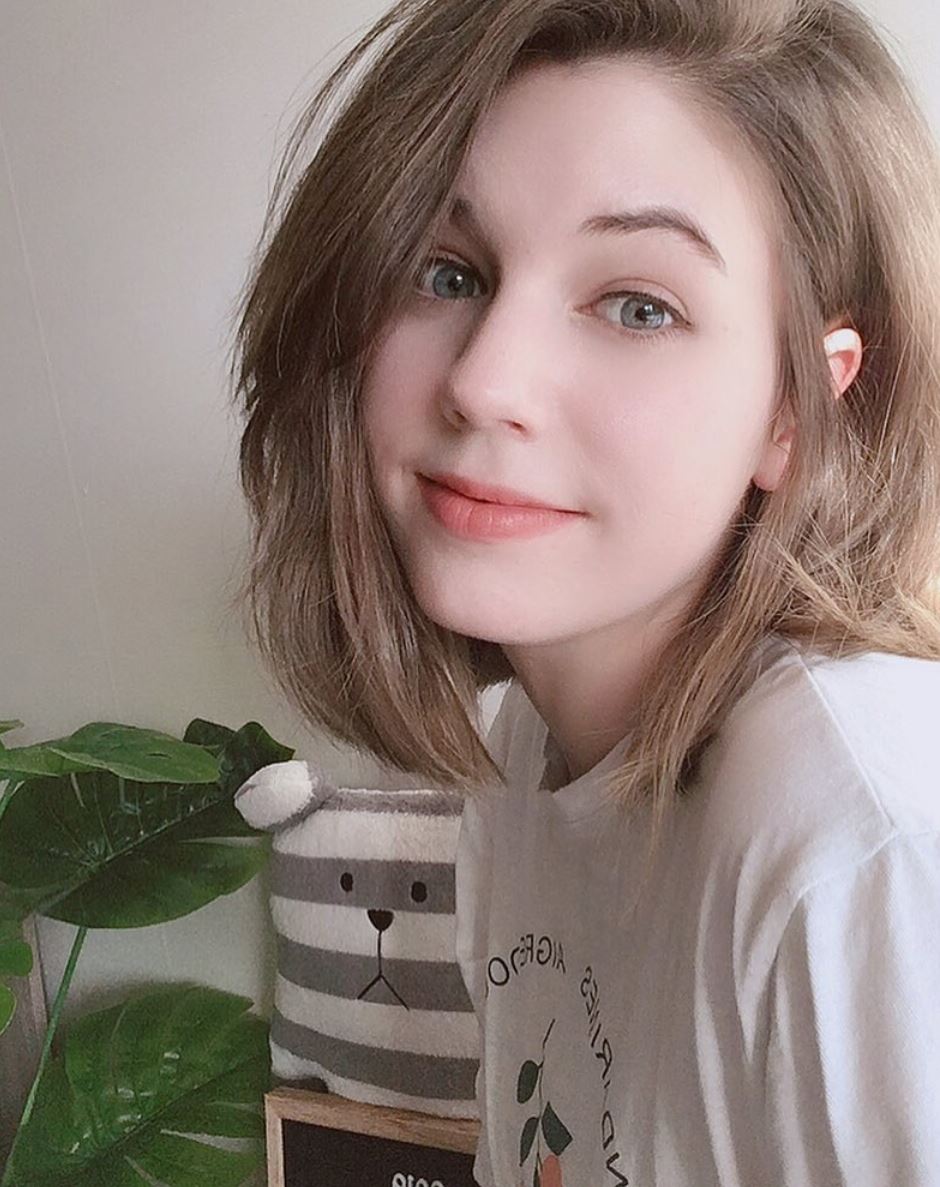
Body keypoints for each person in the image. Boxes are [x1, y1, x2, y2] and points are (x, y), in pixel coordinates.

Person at [227, 0, 940, 1182]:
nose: (485, 380)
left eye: (637, 305)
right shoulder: (518, 750)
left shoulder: (864, 836)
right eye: (448, 272)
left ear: (799, 408)